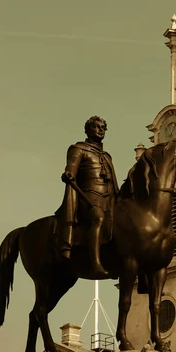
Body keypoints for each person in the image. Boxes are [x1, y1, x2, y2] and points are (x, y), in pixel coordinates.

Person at [56, 116, 119, 278]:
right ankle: (95, 263)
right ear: (88, 130)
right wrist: (69, 173)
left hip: (109, 198)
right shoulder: (79, 149)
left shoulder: (106, 156)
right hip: (88, 197)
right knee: (98, 218)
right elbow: (71, 169)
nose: (100, 130)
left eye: (103, 128)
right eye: (96, 127)